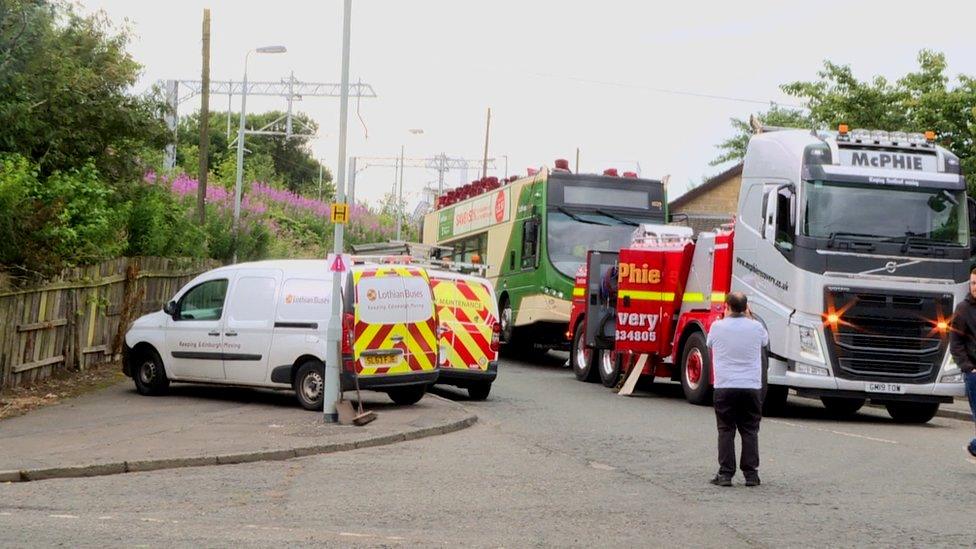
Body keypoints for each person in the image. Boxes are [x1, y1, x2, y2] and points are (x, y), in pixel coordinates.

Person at [706, 292, 769, 487]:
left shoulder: (717, 327)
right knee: (750, 430)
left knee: (726, 429)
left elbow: (709, 344)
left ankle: (725, 474)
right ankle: (751, 475)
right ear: (746, 307)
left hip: (725, 385)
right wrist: (750, 317)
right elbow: (765, 342)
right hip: (750, 386)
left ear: (727, 306)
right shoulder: (757, 327)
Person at [947, 266, 976, 460]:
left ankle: (974, 447)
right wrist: (969, 368)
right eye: (973, 283)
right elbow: (955, 344)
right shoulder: (963, 309)